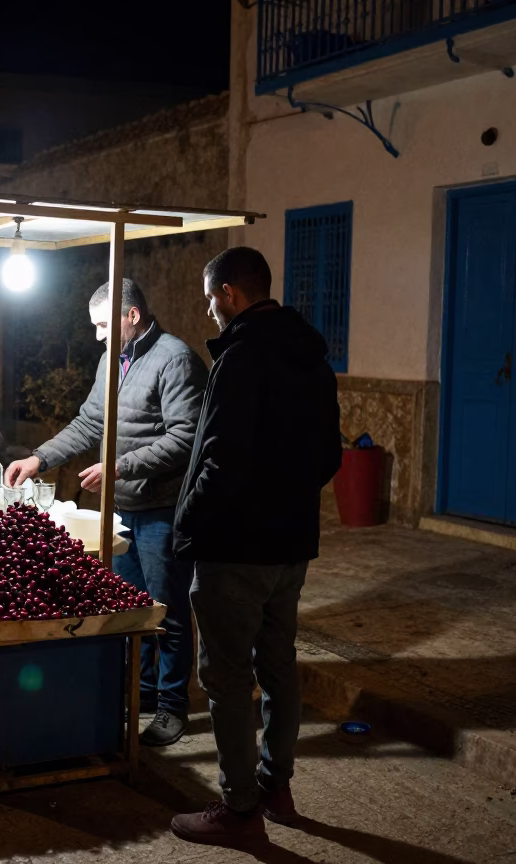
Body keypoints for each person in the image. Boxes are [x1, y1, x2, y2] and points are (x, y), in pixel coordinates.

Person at [168, 248, 341, 849]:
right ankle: (276, 787)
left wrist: (187, 522)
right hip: (289, 548)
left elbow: (221, 459)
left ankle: (241, 810)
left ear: (232, 294)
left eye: (211, 296)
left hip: (235, 548)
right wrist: (286, 500)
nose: (209, 309)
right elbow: (329, 457)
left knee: (227, 677)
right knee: (279, 667)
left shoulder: (240, 359)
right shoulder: (312, 358)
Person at [5, 278, 206, 747]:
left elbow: (184, 437)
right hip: (121, 509)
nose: (97, 336)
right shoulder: (110, 360)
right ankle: (142, 693)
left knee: (167, 611)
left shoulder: (175, 359)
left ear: (131, 316)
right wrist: (40, 457)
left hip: (160, 508)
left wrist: (119, 467)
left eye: (102, 325)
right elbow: (90, 422)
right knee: (127, 608)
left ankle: (174, 705)